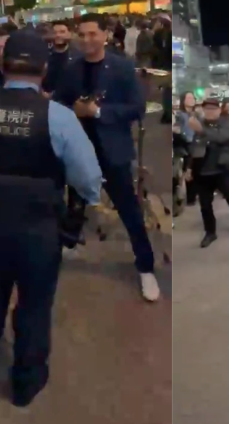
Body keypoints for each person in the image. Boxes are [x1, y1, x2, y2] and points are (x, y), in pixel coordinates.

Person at [0, 31, 103, 407]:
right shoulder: (58, 117)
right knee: (35, 304)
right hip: (41, 227)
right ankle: (26, 382)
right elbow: (88, 179)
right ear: (44, 69)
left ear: (1, 64)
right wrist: (87, 201)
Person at [55, 13, 160, 301]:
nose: (87, 40)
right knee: (74, 201)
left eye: (92, 34)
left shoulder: (123, 67)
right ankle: (67, 244)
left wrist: (99, 112)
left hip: (112, 150)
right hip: (78, 149)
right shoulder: (72, 68)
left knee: (129, 209)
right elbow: (59, 102)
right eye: (83, 34)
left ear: (105, 34)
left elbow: (137, 108)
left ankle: (146, 267)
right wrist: (71, 109)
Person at [186, 98, 229, 248]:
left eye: (213, 109)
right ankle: (210, 232)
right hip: (203, 171)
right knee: (205, 205)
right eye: (206, 109)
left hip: (221, 168)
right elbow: (194, 147)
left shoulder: (225, 122)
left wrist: (201, 130)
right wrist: (189, 168)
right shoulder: (200, 124)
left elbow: (222, 138)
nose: (209, 112)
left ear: (219, 110)